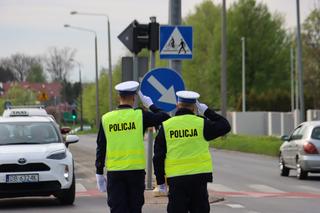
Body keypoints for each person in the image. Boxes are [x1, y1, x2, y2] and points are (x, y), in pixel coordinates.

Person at [95, 81, 170, 213]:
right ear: (134, 98)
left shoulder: (106, 118)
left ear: (119, 97)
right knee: (135, 209)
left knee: (117, 209)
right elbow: (165, 117)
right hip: (136, 173)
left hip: (115, 173)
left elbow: (101, 147)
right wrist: (151, 105)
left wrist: (99, 171)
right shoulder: (140, 116)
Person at [153, 90, 231, 213]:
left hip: (176, 180)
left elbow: (158, 157)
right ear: (195, 107)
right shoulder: (202, 124)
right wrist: (207, 111)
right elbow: (225, 125)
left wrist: (161, 182)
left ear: (178, 105)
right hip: (199, 180)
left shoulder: (167, 126)